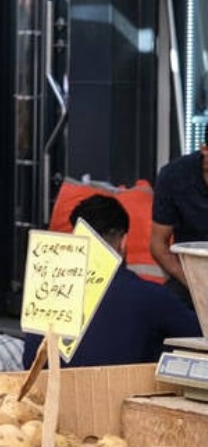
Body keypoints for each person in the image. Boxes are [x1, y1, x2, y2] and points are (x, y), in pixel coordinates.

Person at [25, 195, 201, 368]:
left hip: (50, 394)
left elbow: (29, 362)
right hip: (122, 393)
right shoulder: (152, 298)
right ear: (123, 242)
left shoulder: (46, 290)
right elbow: (200, 336)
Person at [151, 143, 208, 302]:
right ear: (204, 149)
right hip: (189, 273)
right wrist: (197, 285)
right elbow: (158, 245)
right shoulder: (175, 176)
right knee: (161, 307)